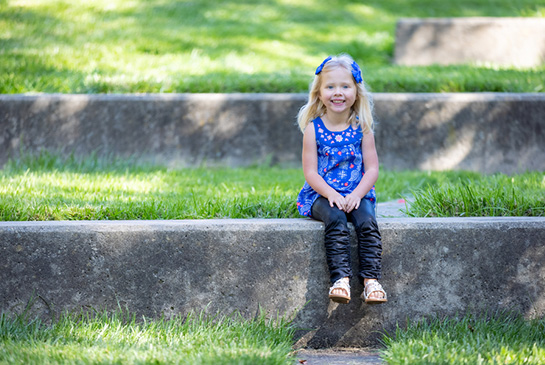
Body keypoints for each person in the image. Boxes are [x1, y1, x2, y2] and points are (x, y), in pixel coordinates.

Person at [296, 54, 387, 305]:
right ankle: (340, 280)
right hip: (322, 195)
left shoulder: (362, 128)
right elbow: (311, 173)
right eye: (330, 86)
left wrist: (357, 194)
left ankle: (371, 281)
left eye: (345, 86)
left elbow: (372, 170)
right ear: (319, 93)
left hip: (357, 192)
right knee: (335, 219)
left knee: (367, 221)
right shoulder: (313, 129)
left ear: (356, 92)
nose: (338, 92)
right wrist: (331, 194)